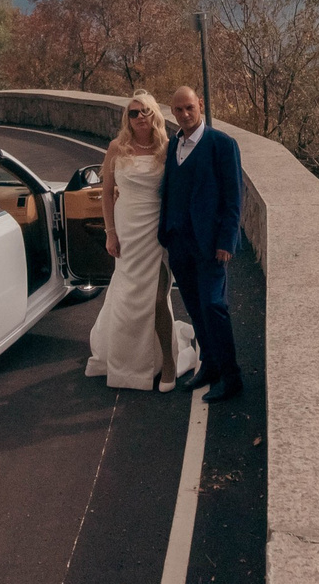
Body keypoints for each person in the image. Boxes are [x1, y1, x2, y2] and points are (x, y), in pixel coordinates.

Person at [85, 90, 179, 391]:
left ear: (155, 114)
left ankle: (168, 364)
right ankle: (128, 363)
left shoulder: (167, 148)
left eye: (144, 111)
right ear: (128, 118)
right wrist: (110, 233)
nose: (139, 117)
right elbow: (107, 194)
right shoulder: (117, 147)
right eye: (133, 113)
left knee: (156, 297)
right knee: (127, 299)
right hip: (126, 230)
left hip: (155, 231)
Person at [156, 85, 243, 401]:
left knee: (213, 306)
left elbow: (234, 198)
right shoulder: (173, 145)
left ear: (201, 105)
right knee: (194, 307)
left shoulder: (222, 144)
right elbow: (170, 191)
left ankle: (232, 377)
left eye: (189, 107)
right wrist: (165, 230)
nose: (184, 114)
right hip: (179, 243)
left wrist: (227, 241)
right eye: (178, 110)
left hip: (211, 245)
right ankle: (210, 365)